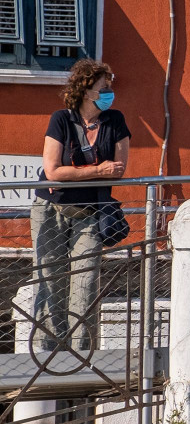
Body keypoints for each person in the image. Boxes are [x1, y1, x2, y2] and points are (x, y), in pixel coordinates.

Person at [32, 58, 128, 353]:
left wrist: (72, 174)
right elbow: (53, 172)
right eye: (105, 87)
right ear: (87, 90)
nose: (110, 91)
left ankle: (81, 358)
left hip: (90, 212)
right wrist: (99, 170)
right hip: (51, 209)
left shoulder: (116, 121)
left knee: (85, 285)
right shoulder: (61, 119)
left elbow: (120, 168)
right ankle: (45, 357)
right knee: (50, 281)